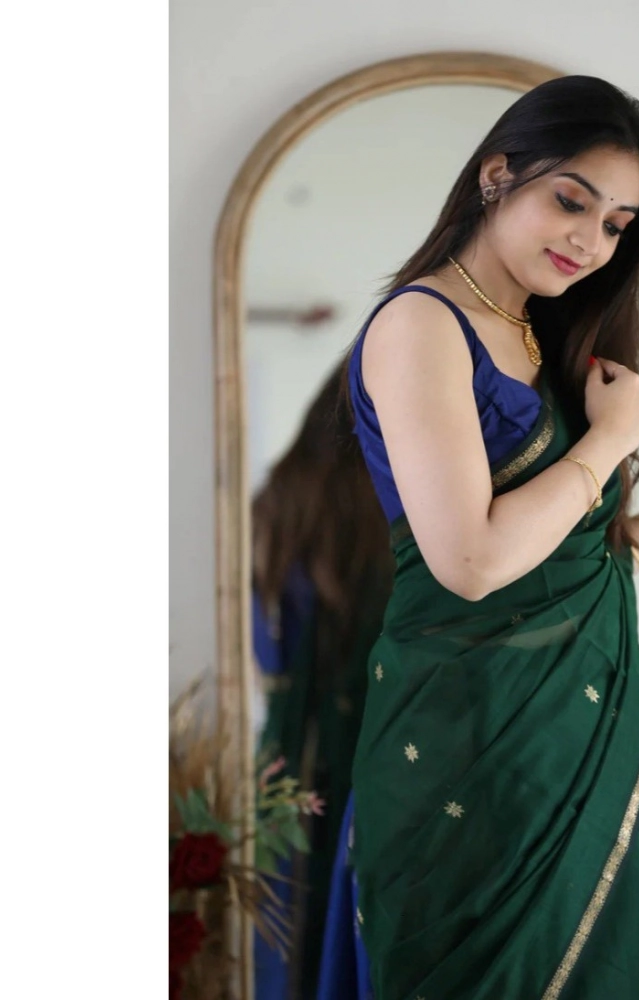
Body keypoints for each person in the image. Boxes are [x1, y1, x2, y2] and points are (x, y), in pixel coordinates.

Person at [318, 74, 639, 999]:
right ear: (498, 174)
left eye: (615, 225)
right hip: (470, 749)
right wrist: (610, 440)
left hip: (572, 744)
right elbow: (473, 564)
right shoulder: (421, 324)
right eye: (572, 201)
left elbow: (555, 571)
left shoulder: (539, 334)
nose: (590, 240)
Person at [251, 359, 394, 1000]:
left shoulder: (274, 506)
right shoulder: (394, 510)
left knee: (287, 928)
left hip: (289, 753)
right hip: (377, 737)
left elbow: (263, 653)